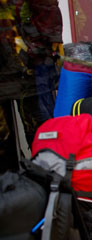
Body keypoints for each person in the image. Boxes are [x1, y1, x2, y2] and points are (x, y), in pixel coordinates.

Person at [0, 0, 63, 173]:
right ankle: (12, 189)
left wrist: (39, 47)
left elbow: (47, 10)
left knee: (42, 132)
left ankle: (49, 183)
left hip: (30, 66)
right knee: (4, 142)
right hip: (25, 61)